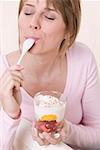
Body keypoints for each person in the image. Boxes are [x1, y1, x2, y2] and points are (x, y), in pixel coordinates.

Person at [0, 0, 100, 149]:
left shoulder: (83, 59)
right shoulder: (3, 71)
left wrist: (67, 130)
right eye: (28, 12)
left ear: (69, 30)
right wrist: (10, 114)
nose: (33, 23)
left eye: (49, 17)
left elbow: (97, 137)